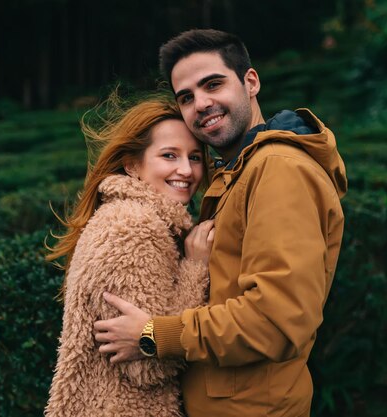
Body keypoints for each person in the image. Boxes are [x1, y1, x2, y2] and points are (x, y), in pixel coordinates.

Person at [93, 29, 348, 417]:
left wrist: (152, 335)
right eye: (187, 97)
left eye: (213, 84)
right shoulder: (238, 170)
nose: (201, 104)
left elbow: (276, 321)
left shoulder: (278, 169)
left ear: (250, 82)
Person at [43, 93, 216, 417]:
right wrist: (196, 268)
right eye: (169, 155)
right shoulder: (134, 229)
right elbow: (147, 366)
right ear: (132, 164)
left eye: (194, 157)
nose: (186, 170)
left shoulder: (141, 220)